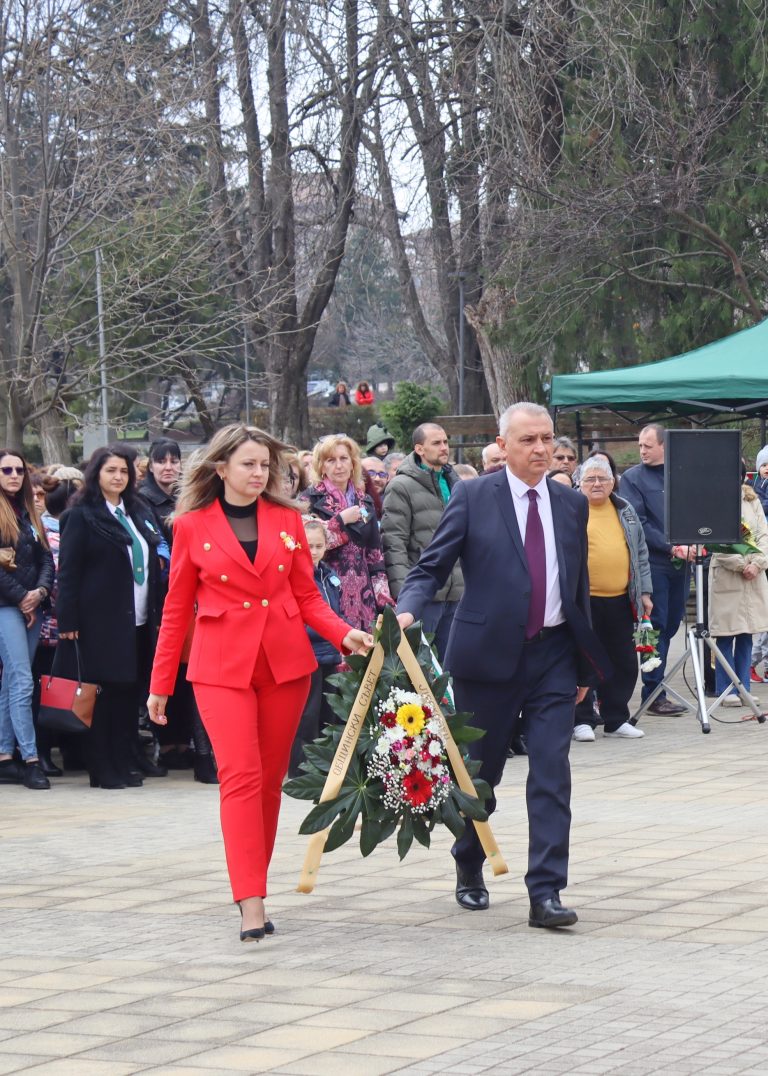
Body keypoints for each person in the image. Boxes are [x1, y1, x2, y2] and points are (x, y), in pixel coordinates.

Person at [146, 424, 372, 941]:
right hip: (220, 669)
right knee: (241, 779)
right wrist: (161, 684)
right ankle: (250, 903)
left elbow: (309, 597)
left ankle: (257, 884)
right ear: (220, 468)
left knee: (269, 785)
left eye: (265, 465)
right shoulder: (190, 526)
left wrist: (345, 635)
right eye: (248, 464)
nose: (259, 473)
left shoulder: (288, 519)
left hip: (284, 666)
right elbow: (176, 609)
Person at [395, 403, 605, 929]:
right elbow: (431, 564)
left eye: (547, 439)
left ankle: (546, 892)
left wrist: (583, 667)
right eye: (529, 440)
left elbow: (574, 585)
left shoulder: (570, 503)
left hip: (554, 654)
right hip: (487, 657)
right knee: (480, 772)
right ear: (503, 443)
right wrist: (406, 610)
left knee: (552, 773)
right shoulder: (472, 496)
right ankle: (469, 861)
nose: (541, 450)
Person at [55, 445, 165, 789]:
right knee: (102, 696)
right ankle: (102, 768)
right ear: (96, 475)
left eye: (124, 471)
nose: (118, 477)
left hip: (139, 618)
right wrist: (68, 622)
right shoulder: (81, 515)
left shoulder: (137, 510)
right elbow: (68, 573)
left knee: (128, 693)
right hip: (98, 621)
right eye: (111, 471)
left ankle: (123, 760)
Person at [572, 457, 651, 742]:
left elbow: (640, 552)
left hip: (620, 598)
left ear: (612, 482)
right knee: (584, 659)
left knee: (624, 661)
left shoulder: (624, 509)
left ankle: (616, 718)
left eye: (602, 479)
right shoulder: (571, 508)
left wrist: (645, 592)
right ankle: (581, 719)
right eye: (590, 479)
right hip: (584, 600)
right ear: (579, 482)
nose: (596, 484)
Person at [619, 424, 694, 715]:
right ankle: (652, 691)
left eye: (647, 446)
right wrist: (671, 546)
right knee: (653, 625)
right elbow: (638, 522)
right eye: (639, 446)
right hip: (651, 564)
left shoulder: (681, 474)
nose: (642, 451)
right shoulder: (632, 478)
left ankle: (656, 686)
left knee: (672, 622)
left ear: (665, 446)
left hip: (681, 565)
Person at [381, 423, 463, 662]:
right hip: (424, 596)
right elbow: (393, 543)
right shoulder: (400, 486)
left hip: (457, 592)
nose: (444, 448)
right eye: (436, 443)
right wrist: (406, 597)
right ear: (419, 448)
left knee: (450, 669)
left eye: (446, 442)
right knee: (420, 670)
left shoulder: (455, 483)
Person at [0, 449, 55, 790]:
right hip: (7, 607)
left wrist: (40, 593)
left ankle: (5, 755)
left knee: (13, 681)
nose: (14, 475)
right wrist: (23, 597)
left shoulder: (30, 513)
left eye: (19, 469)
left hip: (33, 605)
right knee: (22, 680)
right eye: (6, 469)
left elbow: (47, 560)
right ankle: (31, 759)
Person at [301, 434, 393, 631]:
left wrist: (383, 599)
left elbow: (374, 555)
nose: (339, 465)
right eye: (331, 460)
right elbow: (306, 547)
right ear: (321, 466)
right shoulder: (307, 499)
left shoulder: (365, 500)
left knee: (364, 656)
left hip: (362, 594)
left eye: (344, 459)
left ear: (353, 464)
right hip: (326, 590)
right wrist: (340, 521)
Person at [288, 518, 343, 777]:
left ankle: (324, 766)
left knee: (328, 712)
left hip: (330, 653)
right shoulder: (295, 576)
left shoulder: (329, 576)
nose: (314, 551)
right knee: (306, 714)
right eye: (309, 545)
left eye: (319, 545)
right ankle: (301, 768)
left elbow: (336, 612)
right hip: (307, 652)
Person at [709, 469, 768, 707]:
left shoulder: (752, 501)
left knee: (746, 633)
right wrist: (742, 563)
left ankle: (743, 686)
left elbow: (763, 534)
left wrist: (758, 563)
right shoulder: (712, 501)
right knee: (725, 634)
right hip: (727, 576)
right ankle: (725, 689)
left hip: (753, 577)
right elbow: (714, 540)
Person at [138, 439, 182, 538]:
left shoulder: (188, 496)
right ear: (150, 467)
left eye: (174, 462)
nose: (168, 467)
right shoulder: (142, 499)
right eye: (161, 462)